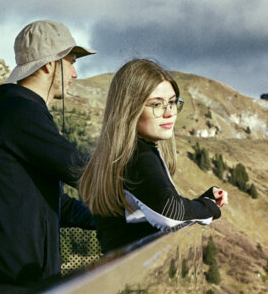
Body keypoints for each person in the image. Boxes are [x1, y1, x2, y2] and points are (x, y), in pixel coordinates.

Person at [0, 20, 97, 294]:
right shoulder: (19, 113)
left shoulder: (18, 114)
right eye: (71, 62)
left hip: (15, 280)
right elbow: (81, 169)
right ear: (49, 64)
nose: (75, 73)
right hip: (9, 284)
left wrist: (114, 218)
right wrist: (154, 203)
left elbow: (55, 203)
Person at [76, 58, 225, 252]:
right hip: (128, 276)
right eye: (157, 104)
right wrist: (209, 208)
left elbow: (153, 209)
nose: (169, 112)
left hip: (122, 271)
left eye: (172, 102)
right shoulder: (136, 156)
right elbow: (170, 212)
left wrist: (202, 201)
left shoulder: (131, 152)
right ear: (130, 109)